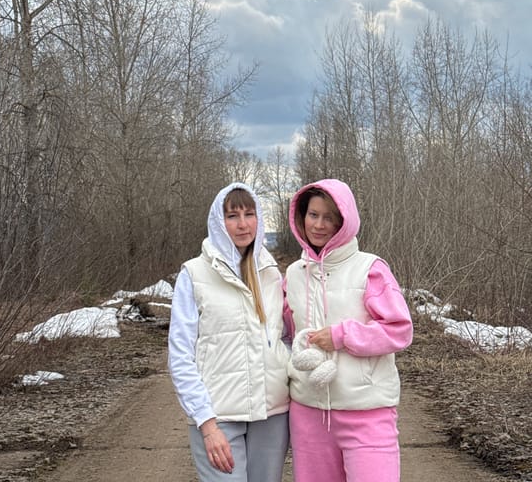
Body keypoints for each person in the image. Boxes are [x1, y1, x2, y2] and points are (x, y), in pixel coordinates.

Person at [284, 179, 413, 482]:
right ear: (301, 217)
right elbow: (287, 334)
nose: (319, 224)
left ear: (345, 222)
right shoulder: (293, 274)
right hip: (309, 413)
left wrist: (342, 336)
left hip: (367, 413)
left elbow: (399, 330)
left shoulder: (371, 268)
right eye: (313, 215)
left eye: (329, 217)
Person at [168, 182, 290, 481]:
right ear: (217, 222)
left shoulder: (271, 272)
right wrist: (207, 425)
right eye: (232, 216)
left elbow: (285, 336)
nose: (243, 224)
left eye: (250, 214)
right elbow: (180, 355)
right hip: (218, 415)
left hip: (271, 414)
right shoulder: (194, 275)